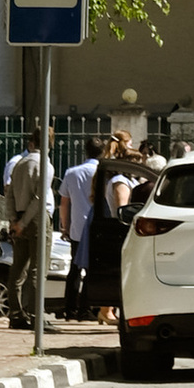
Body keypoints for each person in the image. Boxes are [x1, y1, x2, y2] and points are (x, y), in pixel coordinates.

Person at [85, 138, 137, 324]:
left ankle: (107, 311)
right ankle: (106, 311)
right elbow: (122, 208)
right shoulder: (120, 182)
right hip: (120, 230)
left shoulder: (116, 180)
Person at [2, 129, 47, 321]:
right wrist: (24, 221)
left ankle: (16, 312)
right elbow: (40, 198)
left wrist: (14, 220)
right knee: (38, 267)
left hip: (20, 216)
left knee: (18, 268)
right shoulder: (44, 164)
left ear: (31, 144)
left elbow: (9, 193)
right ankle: (36, 314)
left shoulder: (18, 163)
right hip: (35, 218)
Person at [57, 141, 97, 320]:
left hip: (77, 228)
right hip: (95, 227)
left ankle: (70, 308)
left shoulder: (71, 173)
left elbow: (64, 202)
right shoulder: (102, 172)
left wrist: (64, 226)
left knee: (74, 270)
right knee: (92, 270)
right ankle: (86, 309)